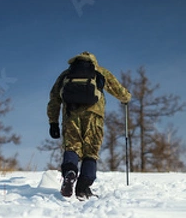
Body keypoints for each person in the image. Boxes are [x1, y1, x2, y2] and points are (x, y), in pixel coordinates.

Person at [47, 51, 131, 199]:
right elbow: (117, 89)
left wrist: (53, 122)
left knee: (72, 146)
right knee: (90, 152)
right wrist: (126, 98)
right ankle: (83, 188)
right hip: (94, 116)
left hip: (71, 115)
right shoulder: (99, 71)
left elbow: (54, 99)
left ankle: (70, 172)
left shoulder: (66, 74)